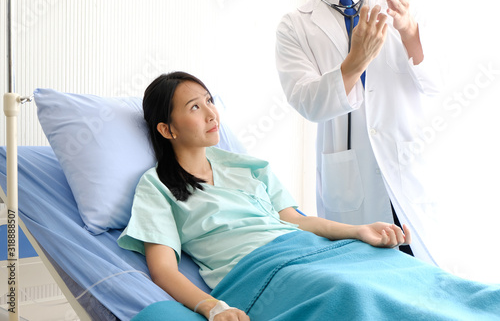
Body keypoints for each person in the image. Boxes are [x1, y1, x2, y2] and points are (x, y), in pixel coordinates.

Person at [118, 72, 500, 321]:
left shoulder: (249, 166)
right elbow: (163, 269)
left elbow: (295, 220)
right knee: (351, 294)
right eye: (194, 107)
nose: (211, 113)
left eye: (209, 100)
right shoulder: (158, 187)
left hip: (311, 248)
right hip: (264, 271)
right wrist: (214, 307)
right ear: (167, 130)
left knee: (416, 278)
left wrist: (358, 231)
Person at [275, 0, 443, 260]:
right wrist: (355, 62)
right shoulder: (295, 25)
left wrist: (409, 30)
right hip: (351, 185)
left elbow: (436, 83)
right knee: (366, 283)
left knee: (426, 278)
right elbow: (307, 103)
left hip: (406, 168)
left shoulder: (398, 3)